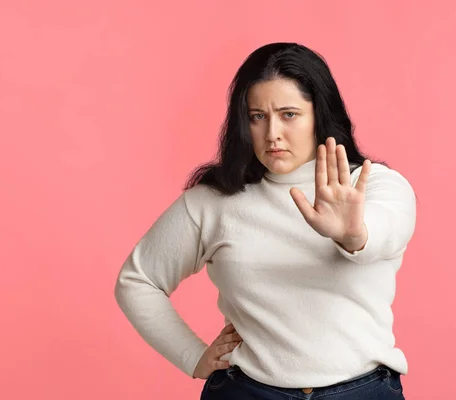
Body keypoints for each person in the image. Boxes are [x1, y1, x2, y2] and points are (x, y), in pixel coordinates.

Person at [114, 42, 417, 399]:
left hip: (362, 391)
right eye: (258, 116)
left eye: (289, 114)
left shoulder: (372, 185)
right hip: (248, 392)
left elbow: (387, 231)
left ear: (319, 115)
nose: (272, 133)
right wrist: (193, 356)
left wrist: (353, 235)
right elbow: (138, 280)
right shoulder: (215, 201)